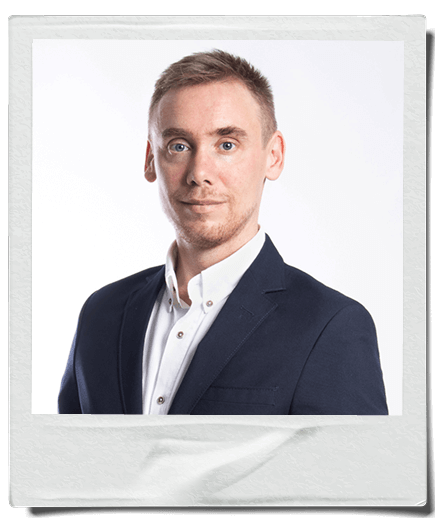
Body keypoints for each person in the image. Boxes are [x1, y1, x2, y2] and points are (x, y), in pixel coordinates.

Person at [58, 49, 388, 415]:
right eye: (179, 146)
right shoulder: (101, 314)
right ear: (151, 159)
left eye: (227, 145)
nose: (199, 172)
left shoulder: (330, 327)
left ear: (274, 156)